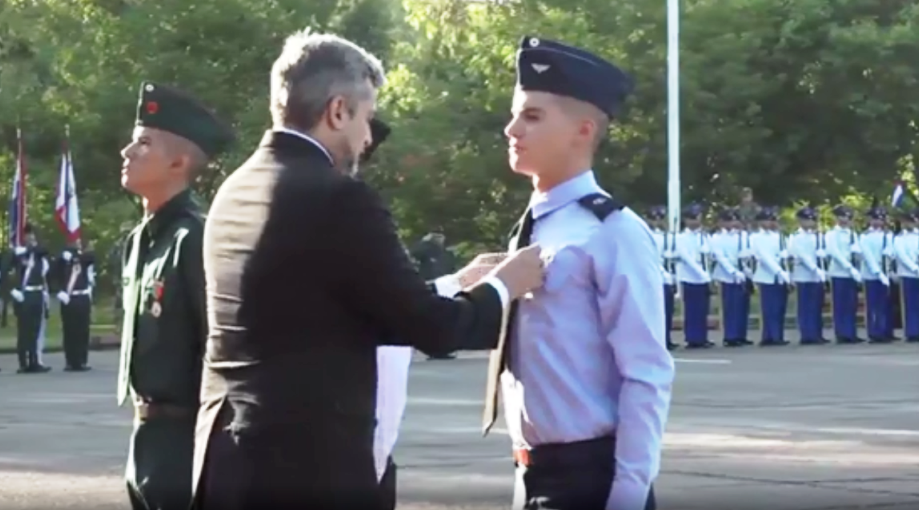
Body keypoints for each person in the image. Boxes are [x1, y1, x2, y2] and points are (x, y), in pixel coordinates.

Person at [193, 29, 545, 510]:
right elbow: (433, 329)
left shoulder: (234, 189)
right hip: (307, 471)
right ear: (338, 110)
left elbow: (321, 306)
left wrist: (453, 284)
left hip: (227, 464)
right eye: (367, 118)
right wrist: (505, 285)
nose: (366, 139)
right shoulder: (337, 197)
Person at [486, 35, 673, 510]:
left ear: (583, 130)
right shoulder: (532, 228)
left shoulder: (611, 231)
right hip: (532, 471)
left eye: (532, 116)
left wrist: (628, 494)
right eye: (514, 113)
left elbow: (646, 373)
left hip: (590, 478)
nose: (511, 129)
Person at [116, 81, 234, 510]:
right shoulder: (140, 241)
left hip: (188, 436)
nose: (127, 153)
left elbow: (218, 344)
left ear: (179, 162)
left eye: (143, 144)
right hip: (147, 433)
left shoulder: (195, 237)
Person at [10, 224, 52, 373]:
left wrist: (29, 249)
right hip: (24, 295)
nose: (31, 237)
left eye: (33, 235)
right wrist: (12, 290)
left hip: (37, 294)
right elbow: (6, 272)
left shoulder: (37, 253)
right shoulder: (16, 254)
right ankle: (23, 363)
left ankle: (34, 361)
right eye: (28, 235)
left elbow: (44, 250)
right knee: (24, 330)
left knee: (35, 329)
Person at [787, 206, 829, 344]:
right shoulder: (796, 237)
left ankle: (817, 333)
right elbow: (801, 255)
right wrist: (814, 268)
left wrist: (823, 255)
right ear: (800, 221)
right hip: (804, 275)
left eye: (812, 220)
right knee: (805, 306)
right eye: (806, 220)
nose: (810, 223)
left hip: (817, 276)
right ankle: (807, 335)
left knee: (816, 306)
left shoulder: (818, 236)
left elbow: (824, 254)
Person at [750, 208, 791, 346]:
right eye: (766, 220)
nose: (769, 223)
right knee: (769, 308)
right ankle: (770, 336)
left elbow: (785, 254)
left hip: (780, 277)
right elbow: (763, 257)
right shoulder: (756, 237)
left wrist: (785, 255)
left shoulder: (779, 237)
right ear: (760, 222)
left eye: (771, 220)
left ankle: (777, 334)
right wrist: (779, 271)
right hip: (767, 275)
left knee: (780, 307)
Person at [710, 208, 751, 347]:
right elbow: (720, 257)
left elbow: (748, 255)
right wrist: (733, 272)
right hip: (726, 275)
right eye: (728, 220)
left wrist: (746, 270)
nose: (732, 224)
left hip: (743, 274)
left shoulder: (743, 236)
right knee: (730, 306)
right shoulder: (717, 237)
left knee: (742, 306)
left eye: (734, 220)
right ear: (721, 222)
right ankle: (731, 336)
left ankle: (741, 334)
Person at [824, 205, 864, 344]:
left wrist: (858, 255)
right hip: (839, 273)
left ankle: (851, 332)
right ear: (836, 218)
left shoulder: (852, 234)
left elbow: (858, 253)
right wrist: (849, 267)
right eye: (842, 216)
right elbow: (834, 253)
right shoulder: (831, 234)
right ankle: (841, 333)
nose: (845, 219)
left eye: (848, 217)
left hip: (852, 274)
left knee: (851, 304)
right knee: (840, 305)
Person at [675, 203, 713, 348]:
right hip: (690, 277)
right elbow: (686, 258)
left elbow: (709, 255)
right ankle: (692, 338)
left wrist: (707, 275)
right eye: (693, 218)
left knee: (703, 309)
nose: (696, 222)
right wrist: (702, 274)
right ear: (686, 220)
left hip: (704, 278)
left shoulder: (703, 236)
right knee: (692, 309)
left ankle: (702, 337)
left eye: (698, 218)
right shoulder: (681, 237)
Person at [55, 238, 96, 371]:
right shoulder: (62, 259)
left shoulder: (83, 258)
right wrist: (59, 291)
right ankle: (70, 360)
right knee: (69, 330)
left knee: (82, 330)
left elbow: (91, 258)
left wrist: (75, 255)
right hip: (69, 297)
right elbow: (53, 274)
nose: (76, 243)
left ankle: (81, 360)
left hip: (82, 296)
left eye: (78, 241)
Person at [859, 204, 895, 343]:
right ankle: (875, 332)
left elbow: (892, 251)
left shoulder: (888, 235)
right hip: (872, 274)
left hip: (887, 273)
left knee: (886, 304)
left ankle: (887, 331)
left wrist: (890, 253)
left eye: (881, 219)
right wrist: (878, 272)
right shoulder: (865, 236)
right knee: (873, 305)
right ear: (870, 220)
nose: (878, 222)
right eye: (875, 219)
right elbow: (868, 256)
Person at [646, 206, 678, 350]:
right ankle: (656, 340)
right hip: (653, 278)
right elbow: (648, 258)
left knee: (668, 310)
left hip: (667, 278)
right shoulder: (645, 235)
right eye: (654, 219)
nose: (657, 222)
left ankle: (666, 338)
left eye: (660, 219)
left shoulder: (666, 236)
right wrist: (663, 272)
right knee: (654, 311)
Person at [892, 208, 919, 342]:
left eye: (912, 221)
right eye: (907, 221)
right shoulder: (899, 238)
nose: (909, 224)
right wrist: (914, 268)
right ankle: (912, 332)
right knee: (910, 304)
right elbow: (901, 255)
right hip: (908, 274)